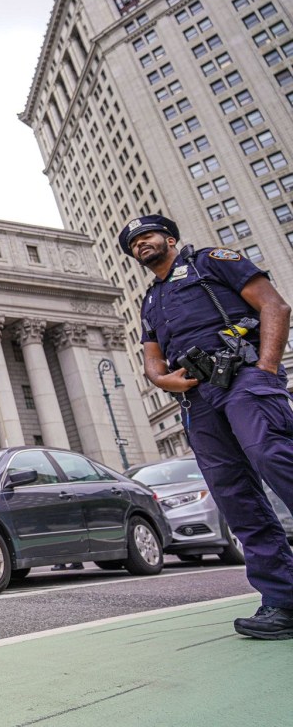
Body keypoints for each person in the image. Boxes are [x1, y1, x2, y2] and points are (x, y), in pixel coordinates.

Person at [121, 214, 293, 640]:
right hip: (197, 398)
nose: (142, 243)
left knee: (273, 456)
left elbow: (273, 304)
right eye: (134, 242)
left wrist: (267, 368)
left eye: (148, 235)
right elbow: (151, 358)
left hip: (244, 377)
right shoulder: (150, 300)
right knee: (234, 497)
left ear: (169, 238)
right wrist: (162, 379)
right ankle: (283, 600)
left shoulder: (212, 262)